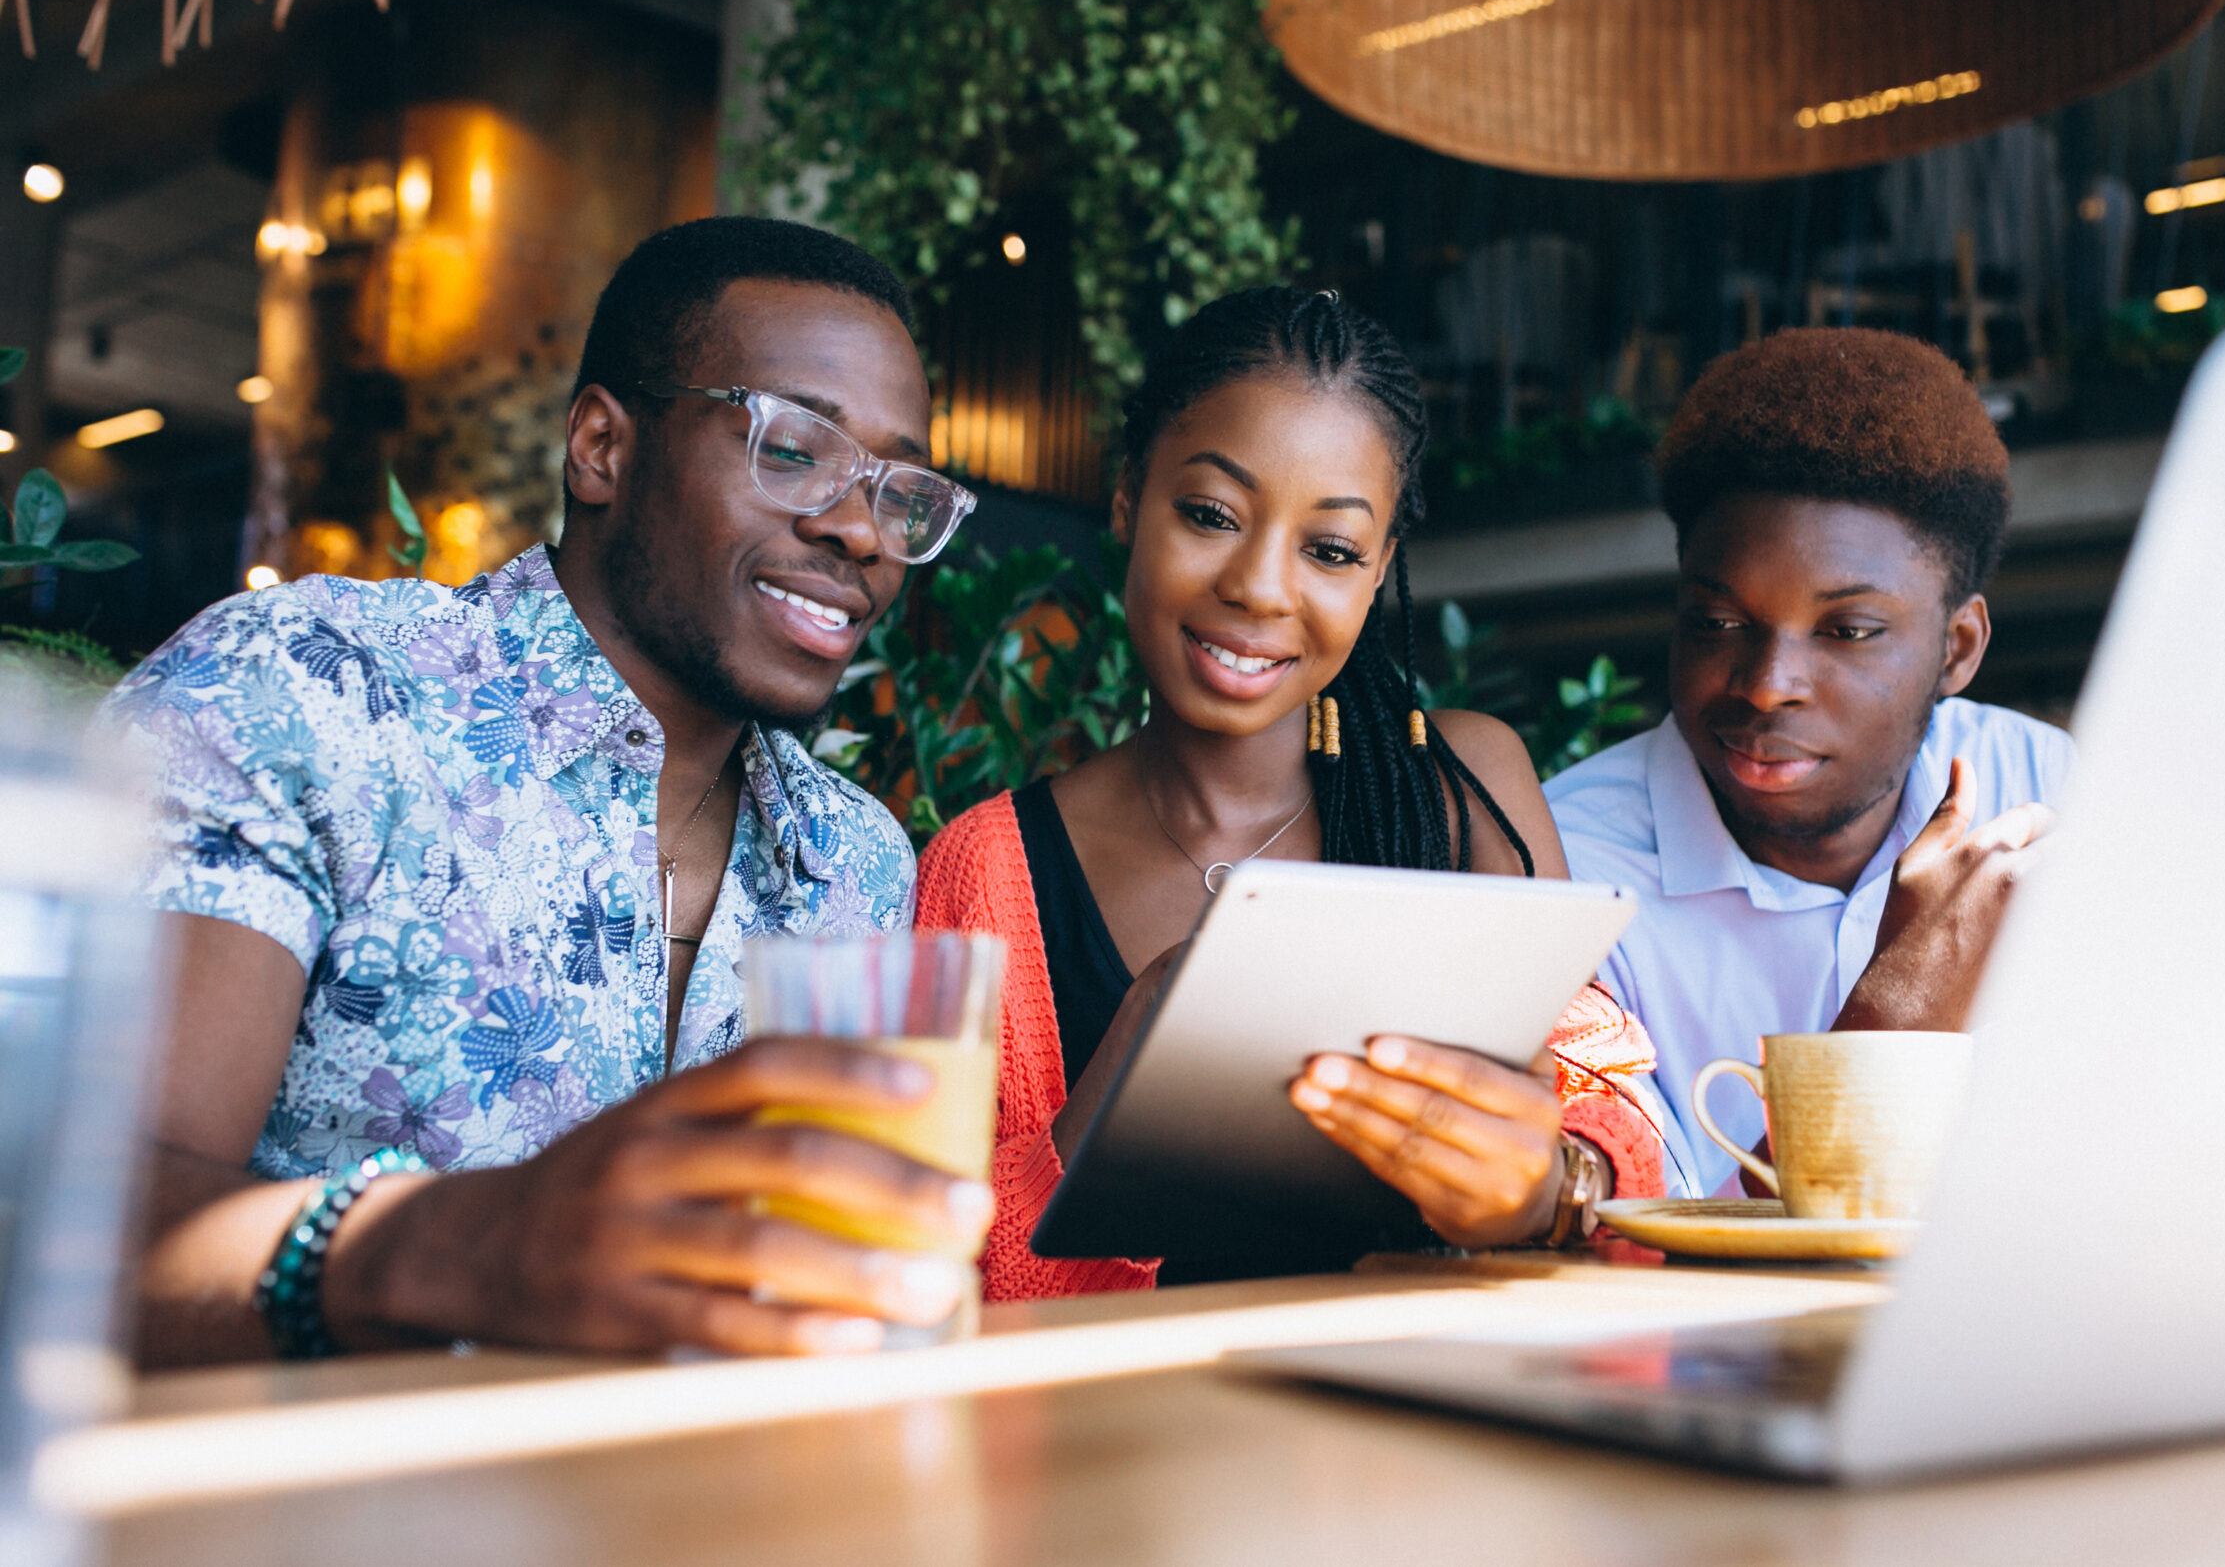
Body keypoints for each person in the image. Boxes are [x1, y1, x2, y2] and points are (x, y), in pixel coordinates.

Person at [109, 216, 997, 1365]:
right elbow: (70, 1218)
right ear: (601, 446)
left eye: (899, 490)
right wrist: (458, 1244)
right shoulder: (307, 691)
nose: (860, 530)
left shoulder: (857, 857)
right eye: (792, 450)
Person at [913, 287, 1664, 1302]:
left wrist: (1545, 1188)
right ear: (1129, 498)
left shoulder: (1460, 786)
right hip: (1101, 1447)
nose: (1262, 587)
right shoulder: (990, 866)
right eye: (1212, 515)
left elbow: (1625, 1150)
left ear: (1379, 569)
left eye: (1331, 549)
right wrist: (1099, 1118)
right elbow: (920, 1269)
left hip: (1409, 1437)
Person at [1543, 327, 2068, 1194]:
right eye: (1718, 623)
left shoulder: (2045, 789)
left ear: (1958, 648)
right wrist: (1895, 1016)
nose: (1766, 685)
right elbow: (1636, 1254)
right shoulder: (1570, 868)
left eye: (1848, 631)